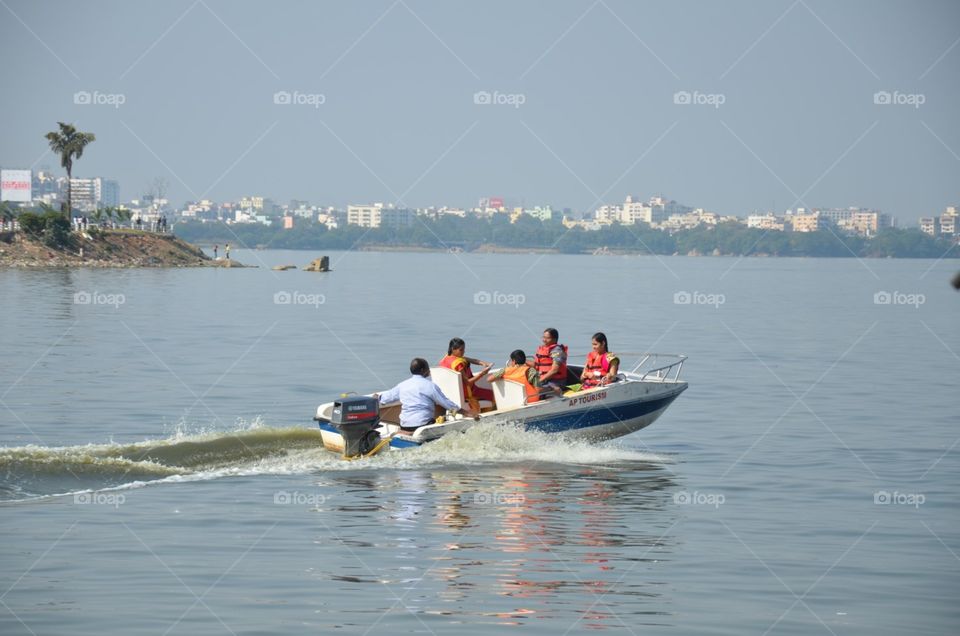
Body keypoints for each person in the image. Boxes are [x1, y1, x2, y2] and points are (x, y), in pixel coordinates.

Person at [377, 358, 478, 432]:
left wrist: (376, 398)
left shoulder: (402, 385)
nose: (429, 370)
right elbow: (446, 403)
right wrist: (466, 413)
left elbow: (384, 399)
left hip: (405, 426)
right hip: (423, 425)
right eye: (427, 368)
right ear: (422, 370)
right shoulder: (430, 386)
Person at [439, 337, 494, 411]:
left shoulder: (446, 358)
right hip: (468, 393)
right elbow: (467, 382)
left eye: (464, 349)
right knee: (494, 395)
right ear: (453, 349)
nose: (463, 352)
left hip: (451, 392)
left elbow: (471, 360)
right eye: (461, 350)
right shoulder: (458, 364)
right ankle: (486, 414)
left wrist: (483, 363)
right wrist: (482, 373)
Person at [529, 327, 568, 392]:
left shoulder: (556, 351)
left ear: (555, 339)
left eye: (547, 338)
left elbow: (554, 370)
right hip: (544, 379)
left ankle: (554, 389)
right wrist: (522, 361)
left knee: (536, 390)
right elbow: (536, 365)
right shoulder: (543, 349)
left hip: (556, 381)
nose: (544, 340)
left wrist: (539, 380)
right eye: (543, 337)